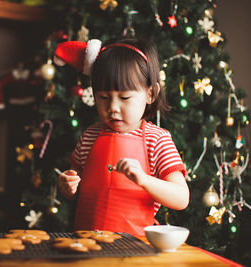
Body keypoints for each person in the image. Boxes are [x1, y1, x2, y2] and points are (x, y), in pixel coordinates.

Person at [53, 37, 190, 236]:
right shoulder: (89, 136)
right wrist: (68, 186)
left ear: (151, 93)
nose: (113, 108)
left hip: (136, 248)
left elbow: (181, 198)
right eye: (103, 97)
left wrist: (143, 180)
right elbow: (75, 188)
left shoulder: (157, 140)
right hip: (86, 244)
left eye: (125, 97)